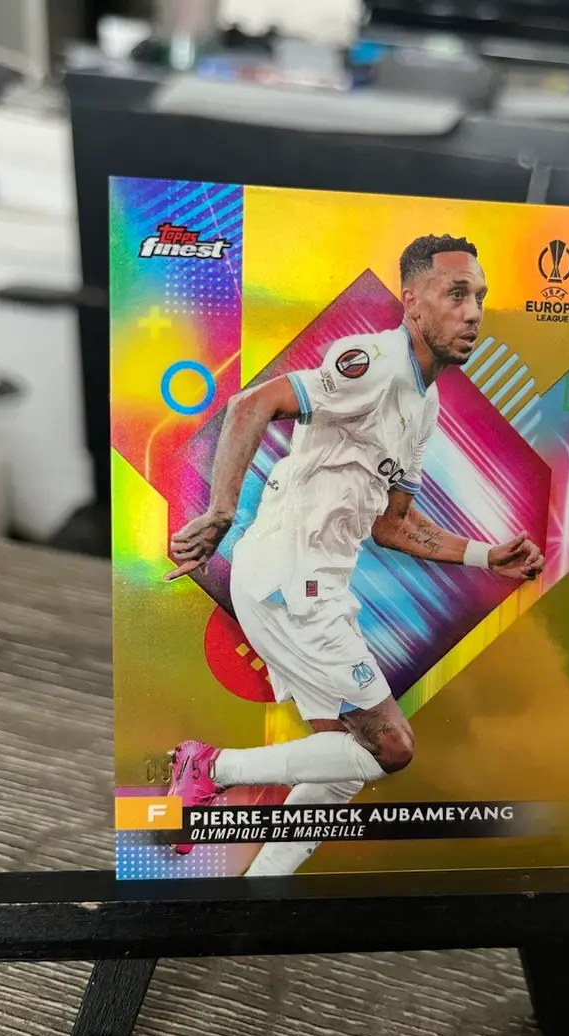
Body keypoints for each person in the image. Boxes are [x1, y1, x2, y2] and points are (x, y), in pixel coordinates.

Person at [164, 233, 545, 874]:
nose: (473, 312)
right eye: (456, 294)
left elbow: (392, 526)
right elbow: (253, 403)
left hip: (310, 587)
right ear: (412, 301)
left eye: (480, 297)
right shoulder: (374, 363)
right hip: (292, 583)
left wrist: (486, 557)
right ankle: (211, 767)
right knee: (391, 748)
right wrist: (221, 512)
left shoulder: (424, 404)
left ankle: (258, 893)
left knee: (341, 766)